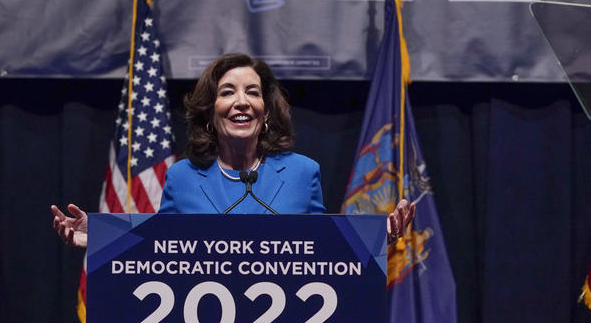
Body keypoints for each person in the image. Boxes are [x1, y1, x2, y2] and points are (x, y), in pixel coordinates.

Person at [51, 53, 414, 248]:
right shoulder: (183, 176)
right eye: (227, 92)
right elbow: (157, 244)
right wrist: (97, 232)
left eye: (252, 92)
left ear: (266, 111)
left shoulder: (303, 173)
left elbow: (321, 248)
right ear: (210, 111)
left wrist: (377, 233)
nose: (241, 102)